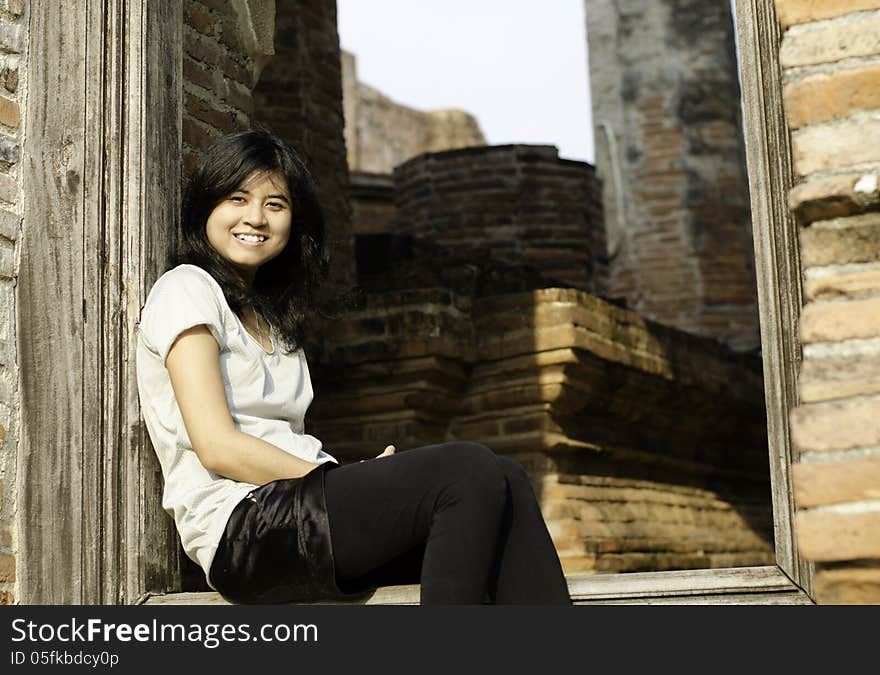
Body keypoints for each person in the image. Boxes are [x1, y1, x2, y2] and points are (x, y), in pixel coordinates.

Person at [135, 128, 572, 605]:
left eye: (275, 205)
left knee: (505, 479)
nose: (255, 218)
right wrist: (335, 479)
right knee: (466, 469)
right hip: (242, 529)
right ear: (207, 208)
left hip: (298, 514)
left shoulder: (274, 321)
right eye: (237, 199)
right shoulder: (186, 288)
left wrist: (348, 480)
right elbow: (217, 446)